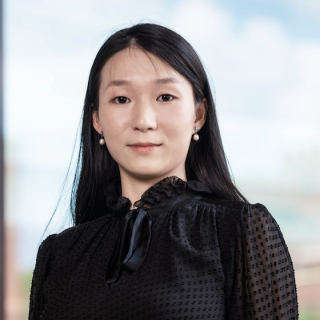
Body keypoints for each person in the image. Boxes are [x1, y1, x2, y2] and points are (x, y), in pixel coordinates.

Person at [28, 23, 298, 319]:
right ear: (96, 119)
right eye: (121, 99)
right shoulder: (59, 255)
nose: (144, 121)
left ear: (198, 114)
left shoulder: (241, 232)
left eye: (165, 97)